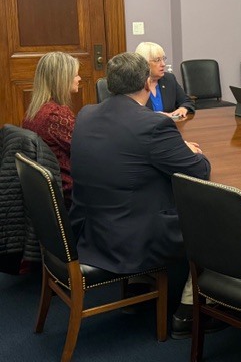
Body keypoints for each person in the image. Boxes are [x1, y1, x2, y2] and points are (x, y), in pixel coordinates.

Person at [69, 52, 211, 337]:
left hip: (91, 229)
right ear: (148, 83)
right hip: (132, 240)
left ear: (110, 85)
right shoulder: (153, 125)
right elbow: (198, 171)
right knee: (209, 216)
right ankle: (187, 308)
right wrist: (189, 151)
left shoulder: (86, 113)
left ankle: (141, 283)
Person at [22, 52, 80, 209]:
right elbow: (85, 149)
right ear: (62, 79)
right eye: (75, 75)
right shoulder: (56, 114)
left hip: (51, 192)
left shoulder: (35, 111)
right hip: (69, 192)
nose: (79, 78)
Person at [135, 41, 195, 118]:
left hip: (169, 127)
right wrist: (157, 116)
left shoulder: (169, 79)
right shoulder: (134, 84)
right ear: (144, 63)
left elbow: (187, 101)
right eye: (157, 60)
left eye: (163, 59)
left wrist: (183, 108)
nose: (163, 64)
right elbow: (130, 113)